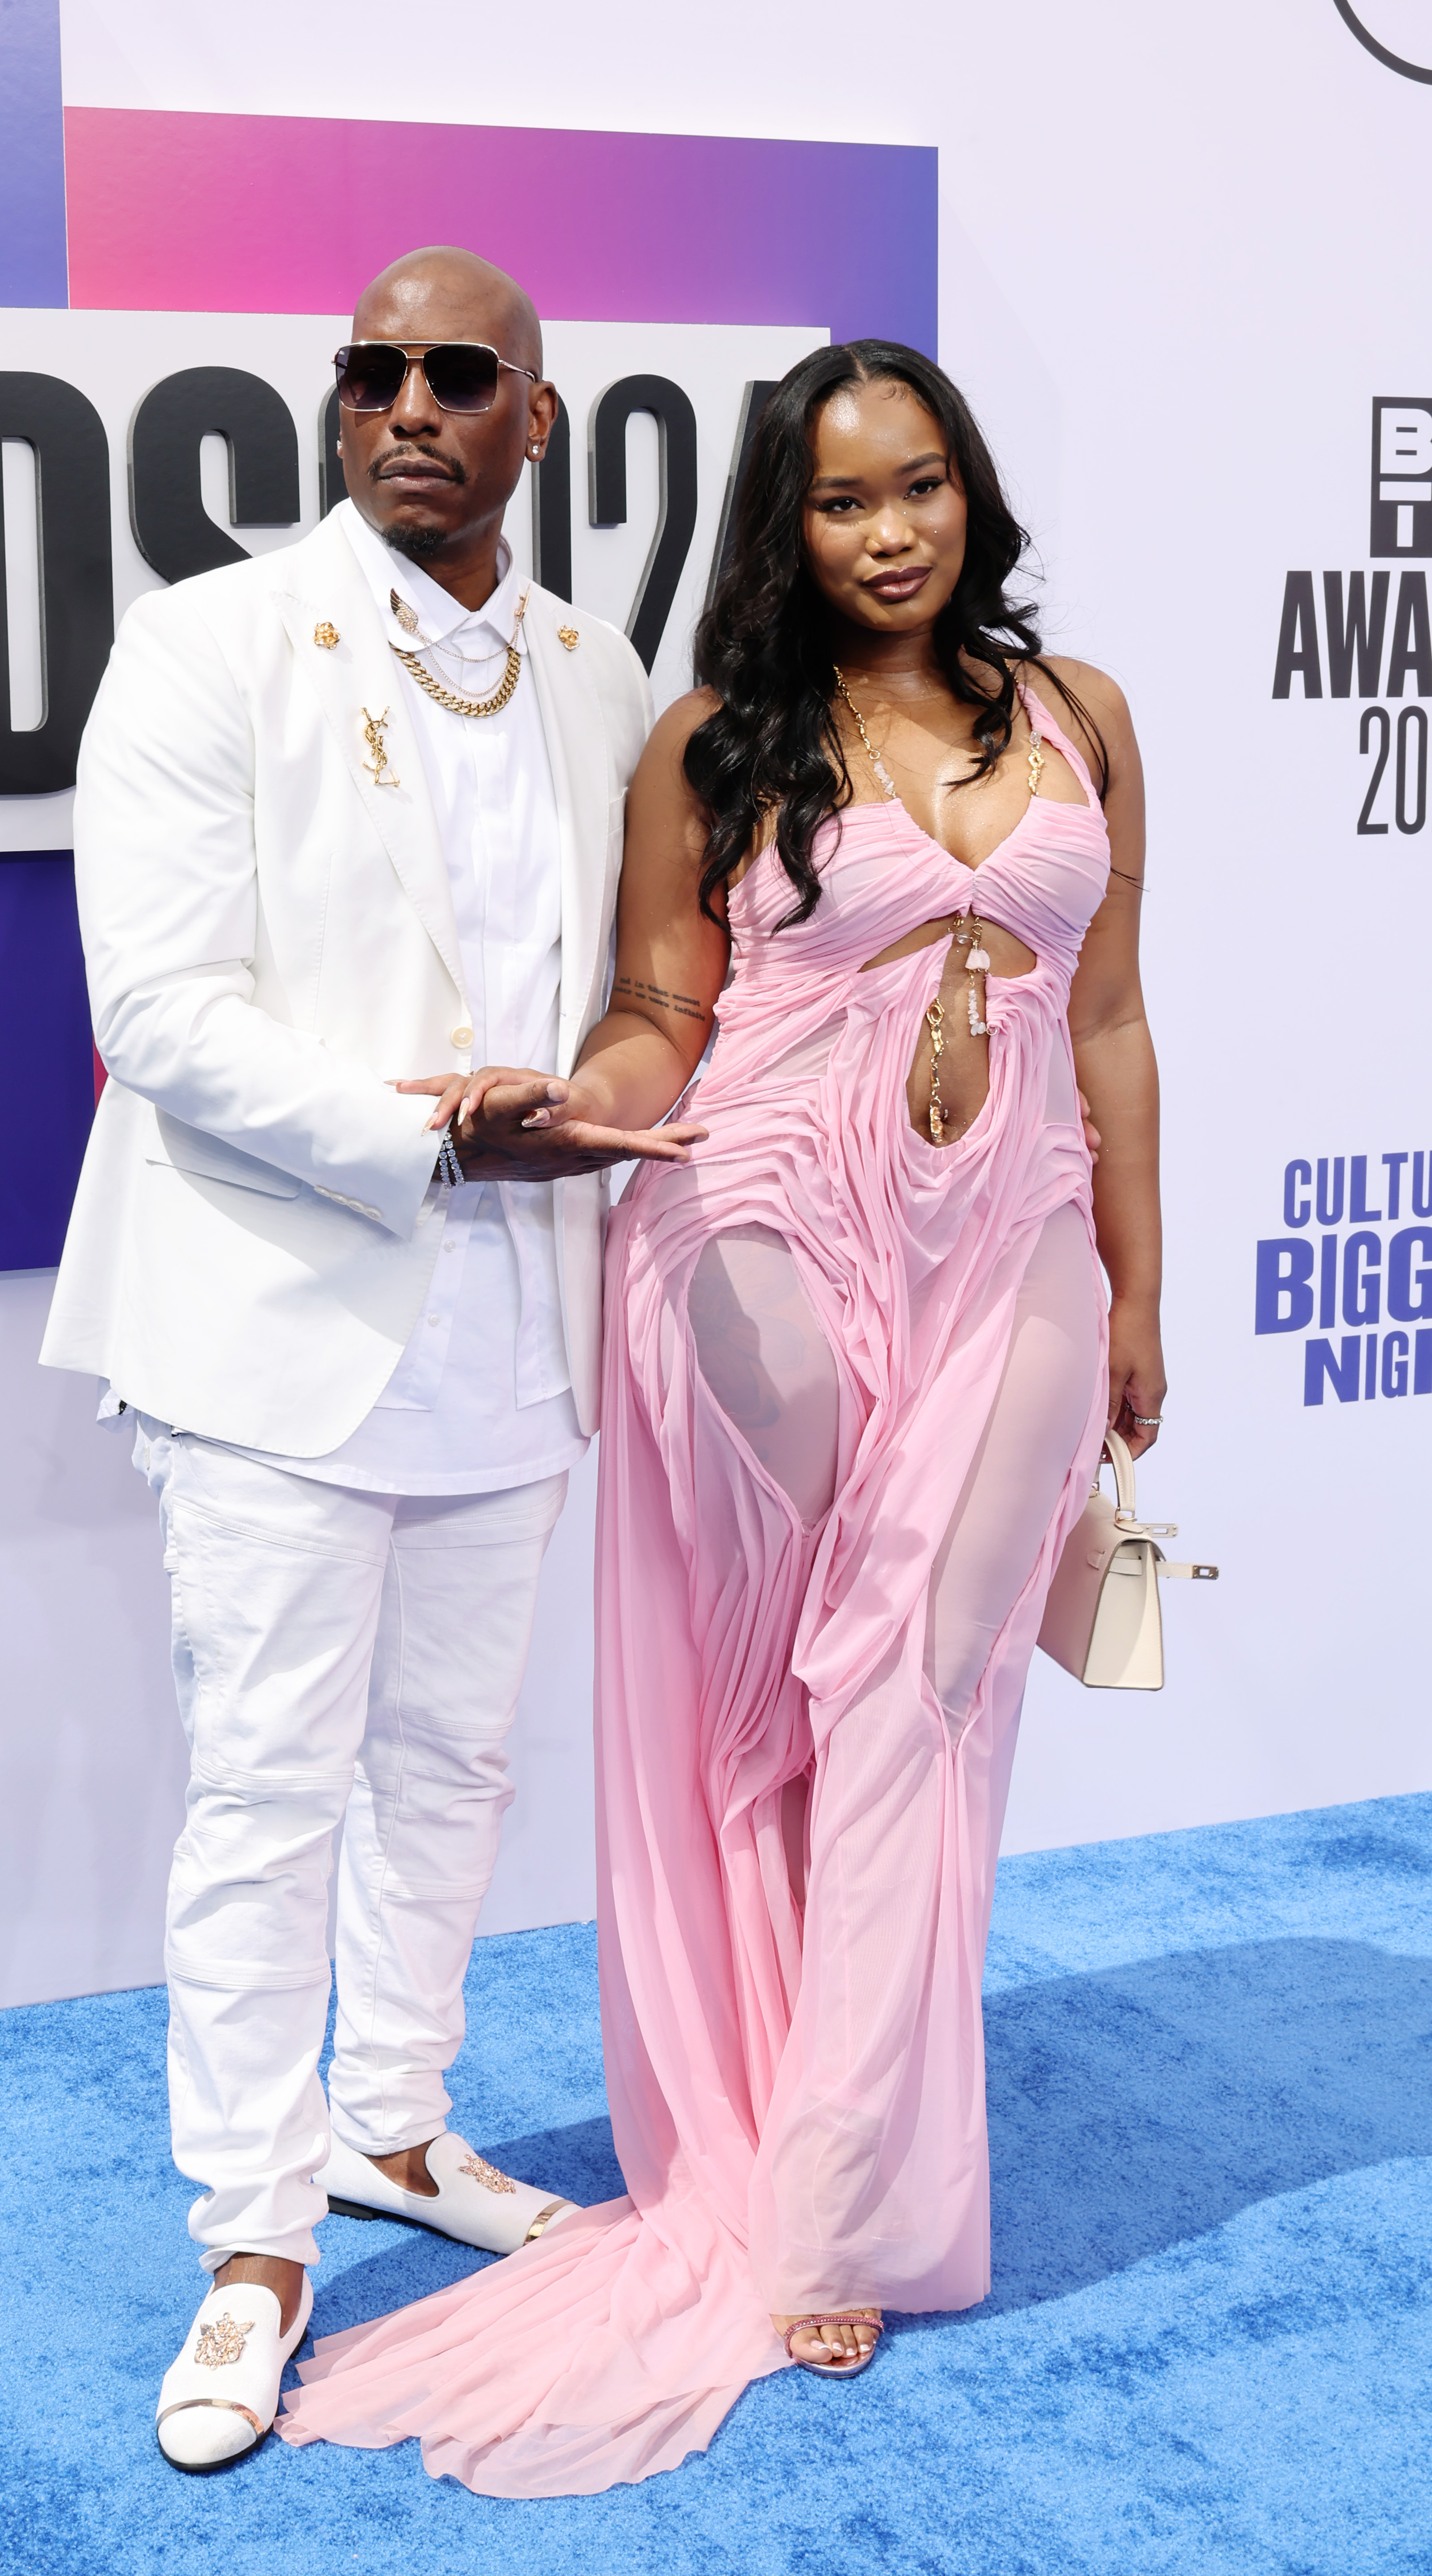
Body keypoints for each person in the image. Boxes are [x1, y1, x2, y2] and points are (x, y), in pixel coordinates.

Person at [278, 339, 1161, 2493]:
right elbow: (671, 1013)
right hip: (764, 1218)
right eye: (846, 499)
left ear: (972, 498)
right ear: (786, 522)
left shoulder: (1085, 718)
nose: (892, 533)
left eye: (924, 487)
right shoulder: (716, 740)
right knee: (815, 1684)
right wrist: (583, 1107)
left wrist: (1143, 1282)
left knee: (917, 1683)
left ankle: (838, 2186)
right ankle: (798, 2156)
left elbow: (1117, 1014)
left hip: (1015, 1231)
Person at [40, 244, 697, 2470]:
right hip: (277, 1322)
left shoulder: (606, 678)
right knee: (266, 1794)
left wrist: (593, 1105)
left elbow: (653, 977)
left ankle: (395, 2125)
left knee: (452, 1774)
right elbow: (162, 1013)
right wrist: (433, 1144)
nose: (408, 404)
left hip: (518, 1327)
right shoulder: (211, 641)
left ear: (540, 416)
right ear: (338, 410)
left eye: (458, 374)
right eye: (370, 373)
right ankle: (251, 2236)